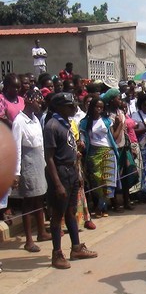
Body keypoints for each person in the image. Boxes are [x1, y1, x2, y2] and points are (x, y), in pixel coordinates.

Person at [44, 92, 97, 269]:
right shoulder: (51, 126)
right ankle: (57, 253)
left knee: (72, 210)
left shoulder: (66, 123)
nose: (73, 108)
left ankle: (76, 247)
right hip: (60, 172)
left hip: (72, 170)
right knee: (58, 214)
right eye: (69, 105)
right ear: (59, 106)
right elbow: (49, 157)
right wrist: (57, 183)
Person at [12, 89, 51, 252]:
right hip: (27, 163)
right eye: (37, 101)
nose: (40, 104)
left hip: (38, 161)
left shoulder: (35, 119)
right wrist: (16, 172)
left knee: (39, 199)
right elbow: (16, 148)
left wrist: (44, 163)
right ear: (28, 102)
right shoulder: (19, 122)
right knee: (28, 201)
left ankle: (41, 232)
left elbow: (40, 143)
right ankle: (29, 240)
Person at [80, 97, 119, 218]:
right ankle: (102, 205)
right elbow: (83, 138)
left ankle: (101, 207)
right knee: (96, 181)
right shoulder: (84, 122)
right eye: (97, 107)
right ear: (91, 107)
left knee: (108, 181)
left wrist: (120, 125)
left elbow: (112, 136)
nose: (99, 109)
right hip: (93, 153)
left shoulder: (107, 121)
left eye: (101, 107)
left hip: (108, 151)